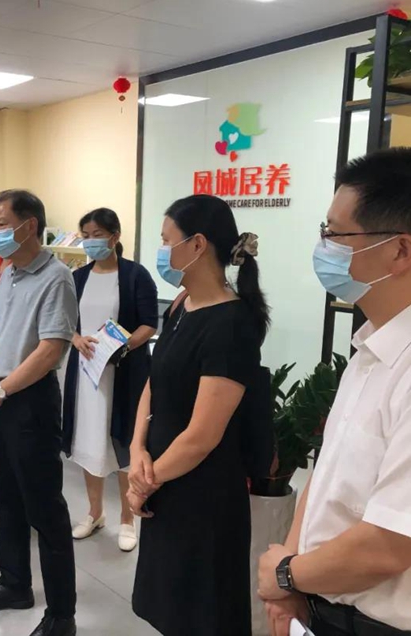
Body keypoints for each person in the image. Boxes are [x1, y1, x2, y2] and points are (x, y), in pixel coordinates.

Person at [258, 149, 411, 636]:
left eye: (335, 234)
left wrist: (286, 574)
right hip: (323, 605)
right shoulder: (371, 347)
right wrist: (291, 582)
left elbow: (390, 544)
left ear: (399, 251)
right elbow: (326, 477)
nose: (323, 247)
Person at [128, 194, 268, 636]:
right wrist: (136, 449)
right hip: (163, 478)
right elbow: (155, 381)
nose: (161, 250)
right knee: (168, 606)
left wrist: (145, 483)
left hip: (202, 493)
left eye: (166, 239)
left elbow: (203, 435)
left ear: (197, 244)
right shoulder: (181, 303)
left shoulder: (232, 324)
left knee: (201, 612)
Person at [0, 190, 78, 636]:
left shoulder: (56, 277)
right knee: (7, 498)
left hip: (29, 402)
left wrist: (3, 389)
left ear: (29, 226)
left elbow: (51, 349)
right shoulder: (7, 272)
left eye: (2, 224)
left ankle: (61, 614)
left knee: (44, 508)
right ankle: (14, 584)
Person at [61, 208, 158, 552]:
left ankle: (127, 520)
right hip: (87, 374)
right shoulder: (78, 277)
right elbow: (67, 321)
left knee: (124, 443)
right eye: (86, 235)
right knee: (89, 441)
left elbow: (149, 322)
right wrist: (76, 339)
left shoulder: (135, 275)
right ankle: (95, 512)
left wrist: (122, 345)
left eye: (97, 235)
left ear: (115, 236)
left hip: (124, 372)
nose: (91, 242)